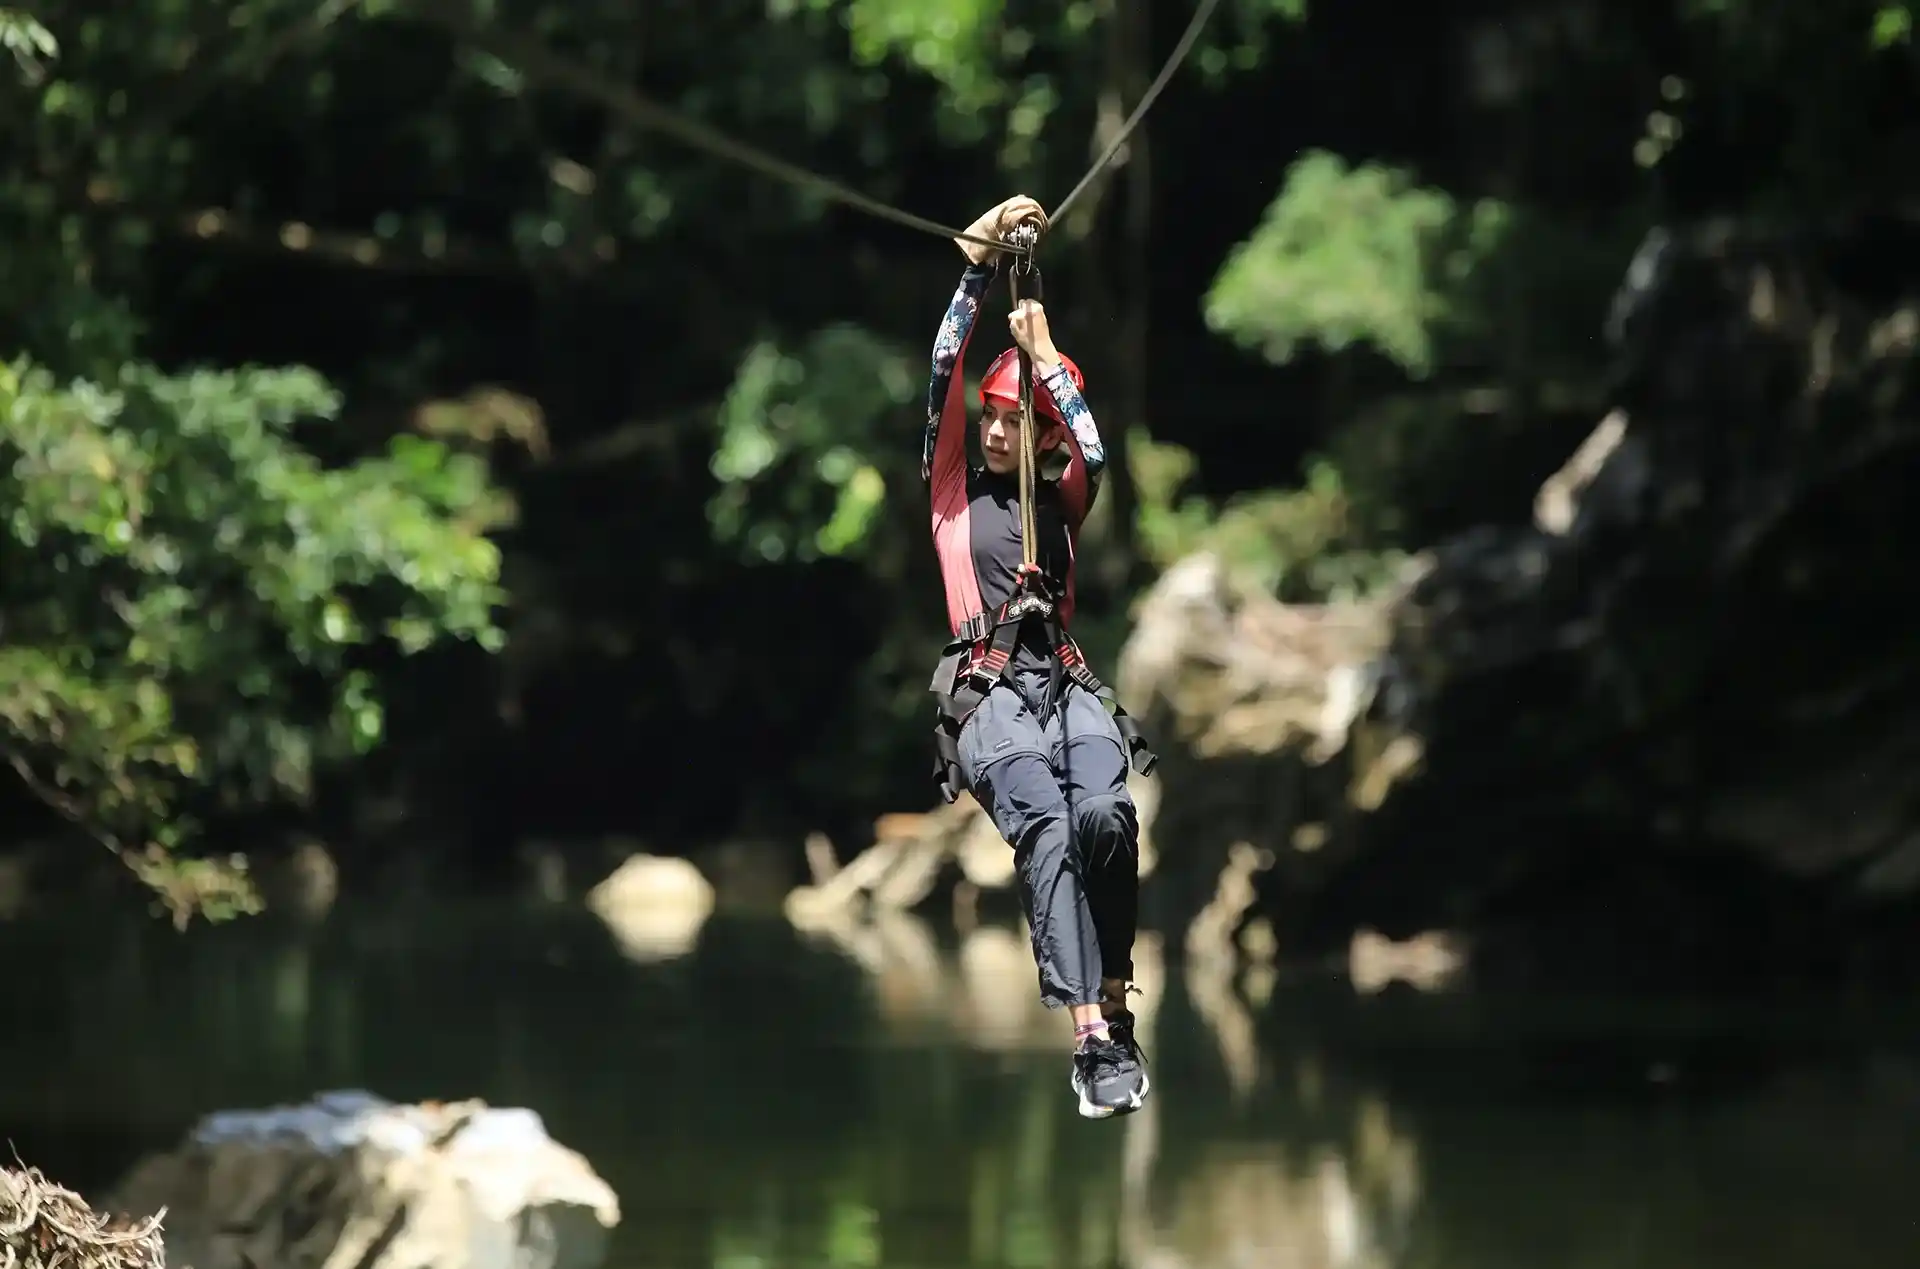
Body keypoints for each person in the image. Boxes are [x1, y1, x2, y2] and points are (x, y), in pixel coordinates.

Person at [921, 194, 1153, 1119]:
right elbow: (941, 377)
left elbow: (1093, 443)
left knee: (1105, 814)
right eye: (990, 418)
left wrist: (1048, 356)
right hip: (988, 699)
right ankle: (1089, 1039)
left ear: (1043, 434)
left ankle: (1119, 997)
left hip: (1065, 682)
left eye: (1011, 422)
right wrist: (976, 272)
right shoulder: (951, 495)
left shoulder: (1065, 501)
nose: (992, 431)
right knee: (1046, 826)